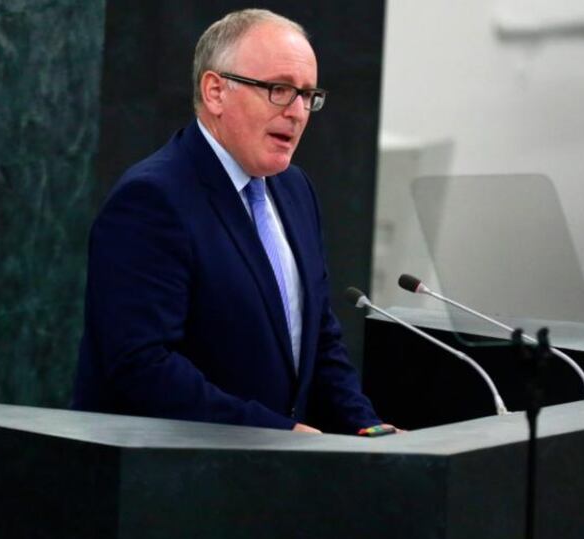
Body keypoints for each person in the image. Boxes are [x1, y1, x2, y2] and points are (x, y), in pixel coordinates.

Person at [71, 9, 385, 434]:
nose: (297, 112)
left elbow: (318, 337)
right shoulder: (152, 199)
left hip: (274, 478)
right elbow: (140, 366)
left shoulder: (294, 189)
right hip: (171, 480)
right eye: (279, 89)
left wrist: (367, 431)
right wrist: (274, 432)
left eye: (308, 95)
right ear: (216, 91)